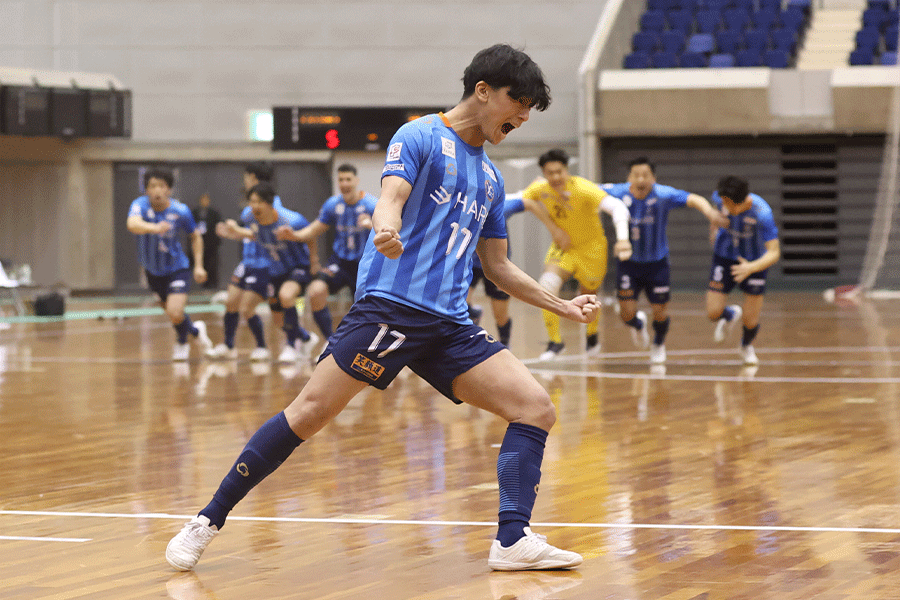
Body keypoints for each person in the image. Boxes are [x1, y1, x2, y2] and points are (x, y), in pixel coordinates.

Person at [166, 43, 592, 573]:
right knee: (310, 413)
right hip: (390, 309)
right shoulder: (419, 136)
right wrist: (385, 226)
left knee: (535, 408)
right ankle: (206, 520)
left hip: (451, 326)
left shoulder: (490, 177)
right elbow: (390, 195)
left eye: (532, 108)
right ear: (483, 92)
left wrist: (562, 305)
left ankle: (512, 539)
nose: (524, 116)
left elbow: (498, 267)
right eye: (518, 101)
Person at [602, 157, 728, 364]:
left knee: (660, 311)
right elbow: (583, 188)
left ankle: (659, 343)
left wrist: (709, 213)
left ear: (653, 178)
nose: (641, 180)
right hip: (628, 263)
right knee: (626, 314)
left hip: (657, 263)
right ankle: (637, 324)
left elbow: (694, 199)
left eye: (646, 175)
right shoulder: (617, 192)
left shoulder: (663, 194)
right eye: (636, 175)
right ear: (629, 177)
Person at [521, 149, 631, 360]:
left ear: (567, 170)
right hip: (564, 248)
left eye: (558, 172)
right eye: (549, 173)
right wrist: (553, 228)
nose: (554, 177)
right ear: (543, 173)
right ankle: (555, 342)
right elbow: (525, 201)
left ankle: (591, 334)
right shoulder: (540, 188)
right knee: (547, 284)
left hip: (592, 249)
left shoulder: (584, 188)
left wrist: (624, 238)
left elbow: (617, 207)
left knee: (588, 293)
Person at [208, 183, 319, 362]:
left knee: (286, 296)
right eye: (251, 201)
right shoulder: (248, 216)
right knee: (277, 320)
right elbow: (255, 235)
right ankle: (306, 338)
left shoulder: (291, 220)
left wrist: (314, 261)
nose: (254, 206)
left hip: (297, 267)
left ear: (270, 204)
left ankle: (291, 346)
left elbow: (310, 235)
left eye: (259, 202)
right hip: (275, 270)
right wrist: (234, 233)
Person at [126, 168, 213, 360]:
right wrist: (155, 228)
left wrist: (198, 265)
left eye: (161, 186)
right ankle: (196, 331)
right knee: (173, 314)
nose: (157, 190)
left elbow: (195, 236)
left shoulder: (180, 211)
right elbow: (132, 224)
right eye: (152, 186)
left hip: (177, 268)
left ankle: (182, 341)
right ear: (146, 190)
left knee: (175, 310)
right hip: (152, 271)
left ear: (169, 190)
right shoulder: (139, 205)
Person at [285, 164, 377, 340]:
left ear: (356, 181)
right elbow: (314, 230)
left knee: (366, 307)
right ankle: (330, 340)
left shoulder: (371, 205)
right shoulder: (333, 205)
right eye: (341, 179)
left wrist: (371, 225)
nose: (344, 183)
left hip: (365, 263)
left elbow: (388, 230)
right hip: (340, 261)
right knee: (315, 291)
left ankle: (364, 344)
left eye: (348, 179)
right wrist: (294, 235)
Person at [207, 162, 284, 360]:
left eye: (246, 176)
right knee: (231, 302)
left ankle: (263, 346)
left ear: (253, 178)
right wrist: (231, 233)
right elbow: (250, 235)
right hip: (247, 262)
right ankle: (228, 345)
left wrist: (237, 231)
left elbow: (263, 234)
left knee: (247, 308)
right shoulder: (249, 206)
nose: (244, 180)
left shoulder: (271, 205)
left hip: (264, 263)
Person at [706, 175, 780, 365]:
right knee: (713, 312)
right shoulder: (720, 198)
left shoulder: (762, 214)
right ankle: (730, 315)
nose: (724, 205)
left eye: (728, 204)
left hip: (754, 263)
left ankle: (745, 346)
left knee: (751, 320)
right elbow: (715, 209)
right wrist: (713, 226)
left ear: (739, 204)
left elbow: (774, 253)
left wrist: (750, 268)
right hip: (724, 257)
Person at [466, 192, 527, 346]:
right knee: (461, 302)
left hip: (496, 265)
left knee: (500, 315)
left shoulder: (503, 207)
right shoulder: (464, 206)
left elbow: (528, 201)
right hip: (471, 263)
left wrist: (552, 225)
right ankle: (473, 315)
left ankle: (505, 343)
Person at [191, 193, 222, 289]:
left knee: (211, 266)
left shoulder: (214, 213)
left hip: (211, 245)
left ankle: (211, 286)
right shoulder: (195, 213)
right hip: (199, 244)